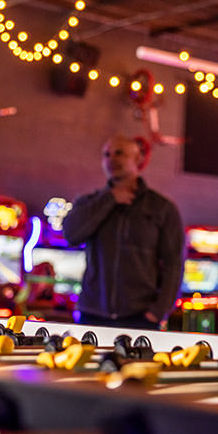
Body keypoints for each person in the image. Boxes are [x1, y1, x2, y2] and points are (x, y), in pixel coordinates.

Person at [62, 134, 184, 331]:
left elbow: (174, 263)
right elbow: (71, 235)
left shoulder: (161, 208)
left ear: (138, 159)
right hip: (93, 314)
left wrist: (159, 311)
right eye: (106, 155)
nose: (111, 159)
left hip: (140, 317)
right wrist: (109, 199)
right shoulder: (89, 203)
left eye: (119, 153)